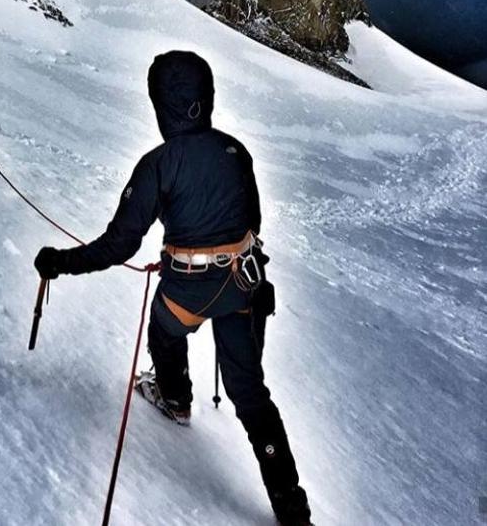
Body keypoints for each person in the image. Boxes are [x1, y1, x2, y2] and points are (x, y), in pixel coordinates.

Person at [34, 50, 312, 526]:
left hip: (187, 287)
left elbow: (118, 245)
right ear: (206, 100)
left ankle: (175, 397)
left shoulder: (157, 165)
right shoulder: (235, 151)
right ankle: (292, 508)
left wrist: (59, 263)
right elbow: (253, 223)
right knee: (251, 395)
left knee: (164, 331)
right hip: (243, 283)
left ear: (163, 106)